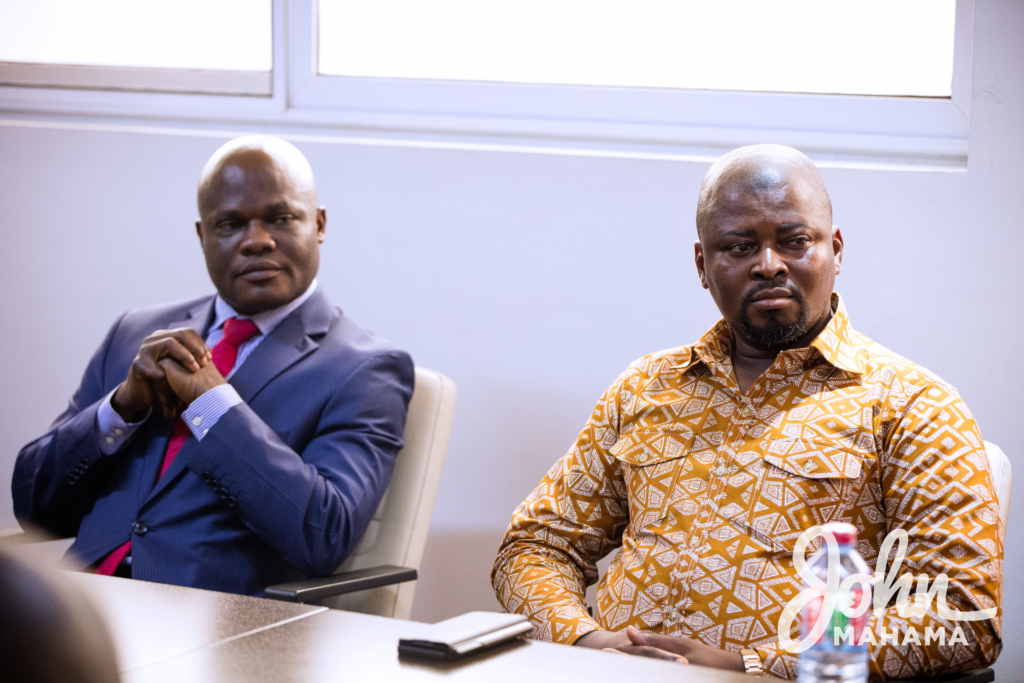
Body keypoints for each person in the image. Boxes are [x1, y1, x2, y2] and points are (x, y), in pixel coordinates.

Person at [492, 144, 1002, 679]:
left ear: (837, 250)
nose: (768, 264)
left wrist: (752, 666)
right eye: (739, 246)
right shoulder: (645, 387)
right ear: (702, 265)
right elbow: (534, 546)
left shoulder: (912, 404)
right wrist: (585, 639)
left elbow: (961, 617)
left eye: (795, 241)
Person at [12, 135, 414, 597]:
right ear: (203, 236)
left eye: (281, 219)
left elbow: (323, 534)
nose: (258, 241)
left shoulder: (366, 369)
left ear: (318, 224)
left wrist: (212, 404)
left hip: (208, 627)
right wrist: (119, 410)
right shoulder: (134, 333)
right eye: (231, 224)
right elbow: (33, 507)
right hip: (81, 614)